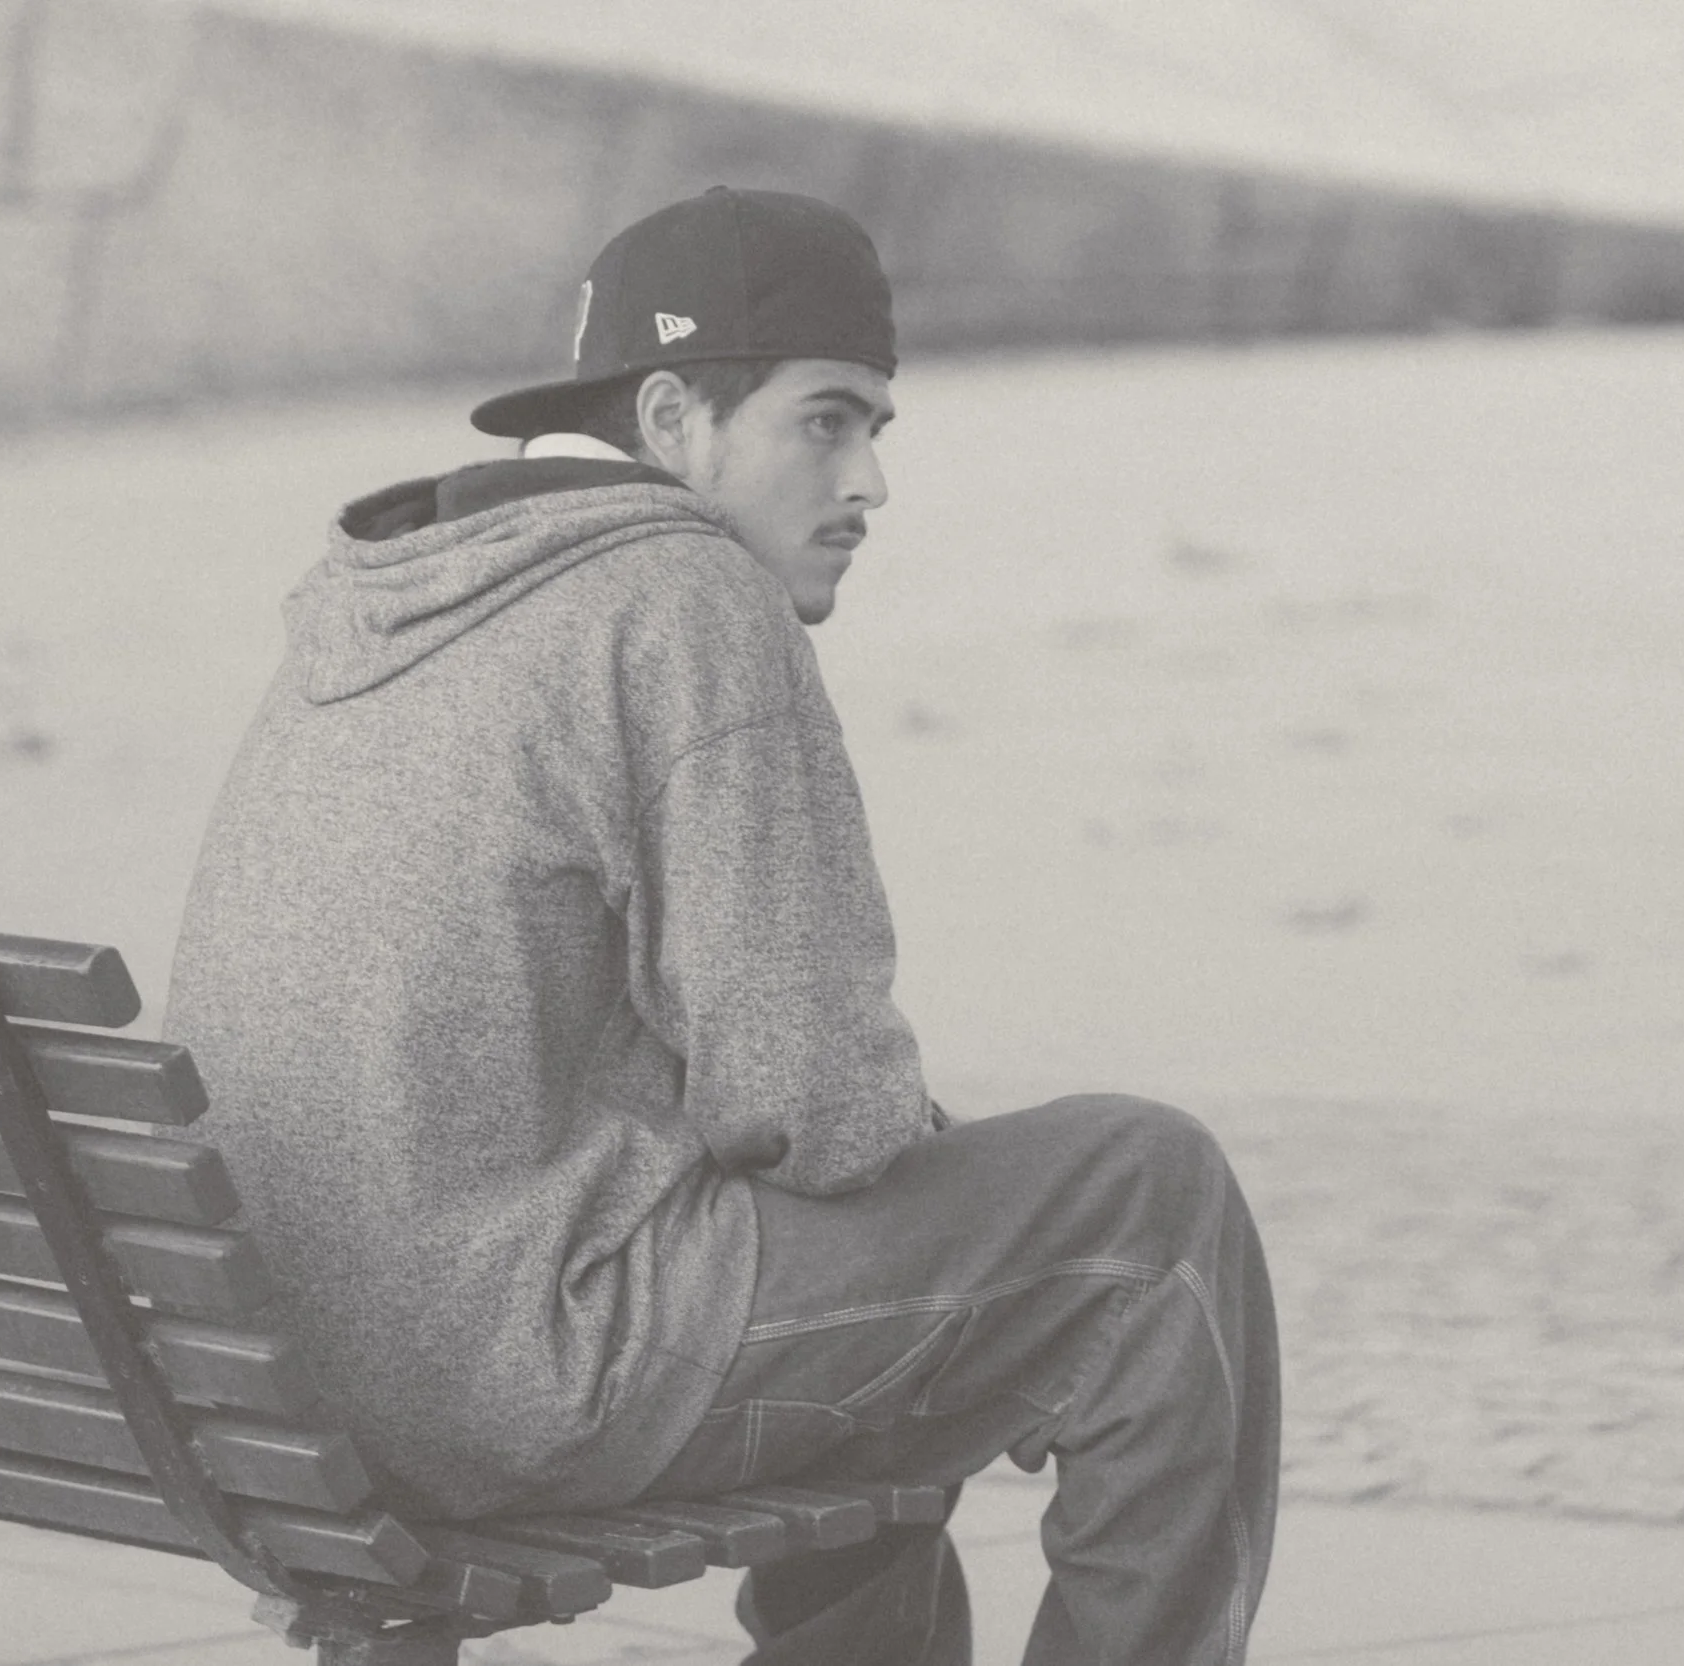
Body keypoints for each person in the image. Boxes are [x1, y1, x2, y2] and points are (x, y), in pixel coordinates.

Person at [166, 186, 1278, 1664]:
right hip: (507, 1380)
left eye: (879, 428)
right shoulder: (681, 593)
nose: (870, 478)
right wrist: (907, 1154)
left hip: (266, 1383)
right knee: (1150, 1205)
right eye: (826, 420)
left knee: (906, 1244)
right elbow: (816, 1108)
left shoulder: (381, 597)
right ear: (676, 414)